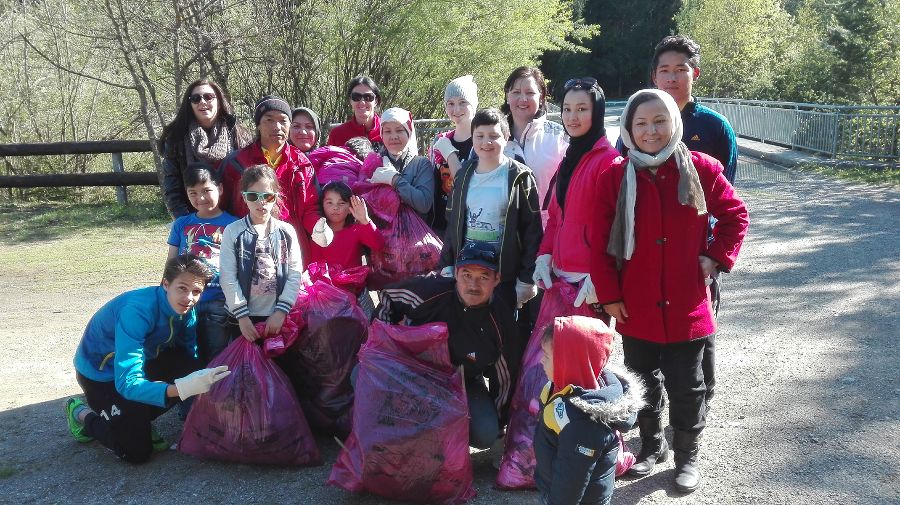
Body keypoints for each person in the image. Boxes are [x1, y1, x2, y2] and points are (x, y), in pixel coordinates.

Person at [590, 89, 749, 493]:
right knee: (641, 379)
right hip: (636, 303)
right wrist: (609, 294)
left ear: (674, 123)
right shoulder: (615, 175)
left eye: (660, 120)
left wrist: (716, 257)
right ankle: (651, 445)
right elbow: (599, 238)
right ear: (628, 128)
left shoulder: (702, 168)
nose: (651, 130)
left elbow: (734, 215)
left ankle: (686, 455)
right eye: (641, 123)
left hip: (687, 303)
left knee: (687, 384)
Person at [65, 254, 231, 463]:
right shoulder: (136, 311)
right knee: (136, 452)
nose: (189, 297)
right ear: (165, 284)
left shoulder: (187, 310)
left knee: (191, 367)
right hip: (102, 376)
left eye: (196, 291)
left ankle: (135, 417)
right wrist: (183, 388)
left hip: (145, 362)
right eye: (182, 288)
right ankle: (81, 414)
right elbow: (127, 384)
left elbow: (190, 353)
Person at [374, 241, 522, 450]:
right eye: (467, 275)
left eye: (483, 277)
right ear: (455, 274)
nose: (473, 285)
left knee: (485, 433)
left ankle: (446, 438)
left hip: (462, 382)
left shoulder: (503, 323)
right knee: (363, 373)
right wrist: (387, 353)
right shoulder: (429, 290)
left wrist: (500, 426)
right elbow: (388, 298)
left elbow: (505, 380)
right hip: (412, 374)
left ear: (497, 279)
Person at [439, 108, 541, 312]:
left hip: (504, 274)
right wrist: (447, 264)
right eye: (480, 136)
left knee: (504, 333)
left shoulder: (520, 177)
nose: (486, 142)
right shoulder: (463, 175)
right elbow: (452, 222)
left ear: (506, 137)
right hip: (468, 272)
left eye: (494, 136)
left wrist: (527, 279)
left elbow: (533, 231)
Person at [533, 316, 642, 505]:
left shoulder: (584, 424)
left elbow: (571, 482)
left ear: (569, 363)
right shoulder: (565, 388)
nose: (541, 360)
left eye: (547, 356)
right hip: (556, 484)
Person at [534, 78, 622, 310]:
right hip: (559, 276)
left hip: (587, 281)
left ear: (597, 112)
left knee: (583, 347)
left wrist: (602, 275)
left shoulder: (609, 160)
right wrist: (544, 254)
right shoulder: (569, 158)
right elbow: (556, 217)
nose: (572, 117)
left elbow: (615, 225)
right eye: (567, 109)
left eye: (582, 109)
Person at [220, 95, 325, 266]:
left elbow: (311, 206)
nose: (277, 127)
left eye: (283, 121)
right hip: (248, 248)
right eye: (269, 120)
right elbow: (223, 207)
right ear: (258, 125)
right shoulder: (237, 163)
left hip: (291, 249)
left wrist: (318, 228)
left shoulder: (301, 163)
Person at [219, 165, 303, 344]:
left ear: (276, 197)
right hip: (242, 318)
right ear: (244, 198)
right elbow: (228, 277)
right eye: (253, 196)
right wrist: (241, 316)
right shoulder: (232, 232)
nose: (261, 202)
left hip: (277, 315)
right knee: (246, 368)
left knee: (276, 367)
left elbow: (294, 273)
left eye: (267, 196)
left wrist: (281, 311)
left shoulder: (286, 232)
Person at [166, 163, 238, 364]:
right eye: (193, 193)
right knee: (187, 354)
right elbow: (171, 261)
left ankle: (214, 394)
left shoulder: (235, 224)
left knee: (216, 355)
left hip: (219, 301)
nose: (201, 198)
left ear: (220, 189)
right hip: (184, 300)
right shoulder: (181, 224)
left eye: (207, 191)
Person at [157, 78, 251, 219]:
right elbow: (172, 187)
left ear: (219, 102)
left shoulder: (239, 135)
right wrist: (187, 221)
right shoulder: (176, 139)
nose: (202, 102)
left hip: (235, 217)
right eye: (196, 98)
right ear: (190, 105)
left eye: (208, 97)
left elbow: (250, 180)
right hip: (194, 217)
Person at [501, 66, 568, 224]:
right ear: (507, 96)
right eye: (516, 92)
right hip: (503, 235)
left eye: (530, 93)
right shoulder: (491, 137)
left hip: (549, 232)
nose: (523, 99)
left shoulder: (560, 137)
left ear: (542, 97)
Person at [366, 107, 435, 221]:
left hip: (413, 234)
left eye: (399, 130)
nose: (394, 136)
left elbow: (424, 204)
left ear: (409, 132)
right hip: (380, 235)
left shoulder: (421, 164)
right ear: (381, 134)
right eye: (388, 131)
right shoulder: (374, 163)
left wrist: (395, 180)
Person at [430, 75, 479, 233]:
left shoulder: (481, 142)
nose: (456, 110)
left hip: (470, 225)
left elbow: (472, 186)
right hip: (441, 225)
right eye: (450, 104)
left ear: (474, 104)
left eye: (462, 102)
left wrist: (450, 154)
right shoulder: (440, 141)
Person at [308, 180, 385, 271]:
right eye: (329, 203)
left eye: (341, 203)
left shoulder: (356, 230)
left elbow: (379, 244)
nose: (335, 207)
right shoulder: (316, 231)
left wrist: (365, 220)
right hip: (320, 283)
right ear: (322, 206)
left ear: (350, 208)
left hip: (350, 284)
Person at [327, 75, 383, 148]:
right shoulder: (337, 134)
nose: (362, 102)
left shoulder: (388, 130)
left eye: (368, 97)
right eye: (356, 97)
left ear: (376, 101)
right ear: (350, 100)